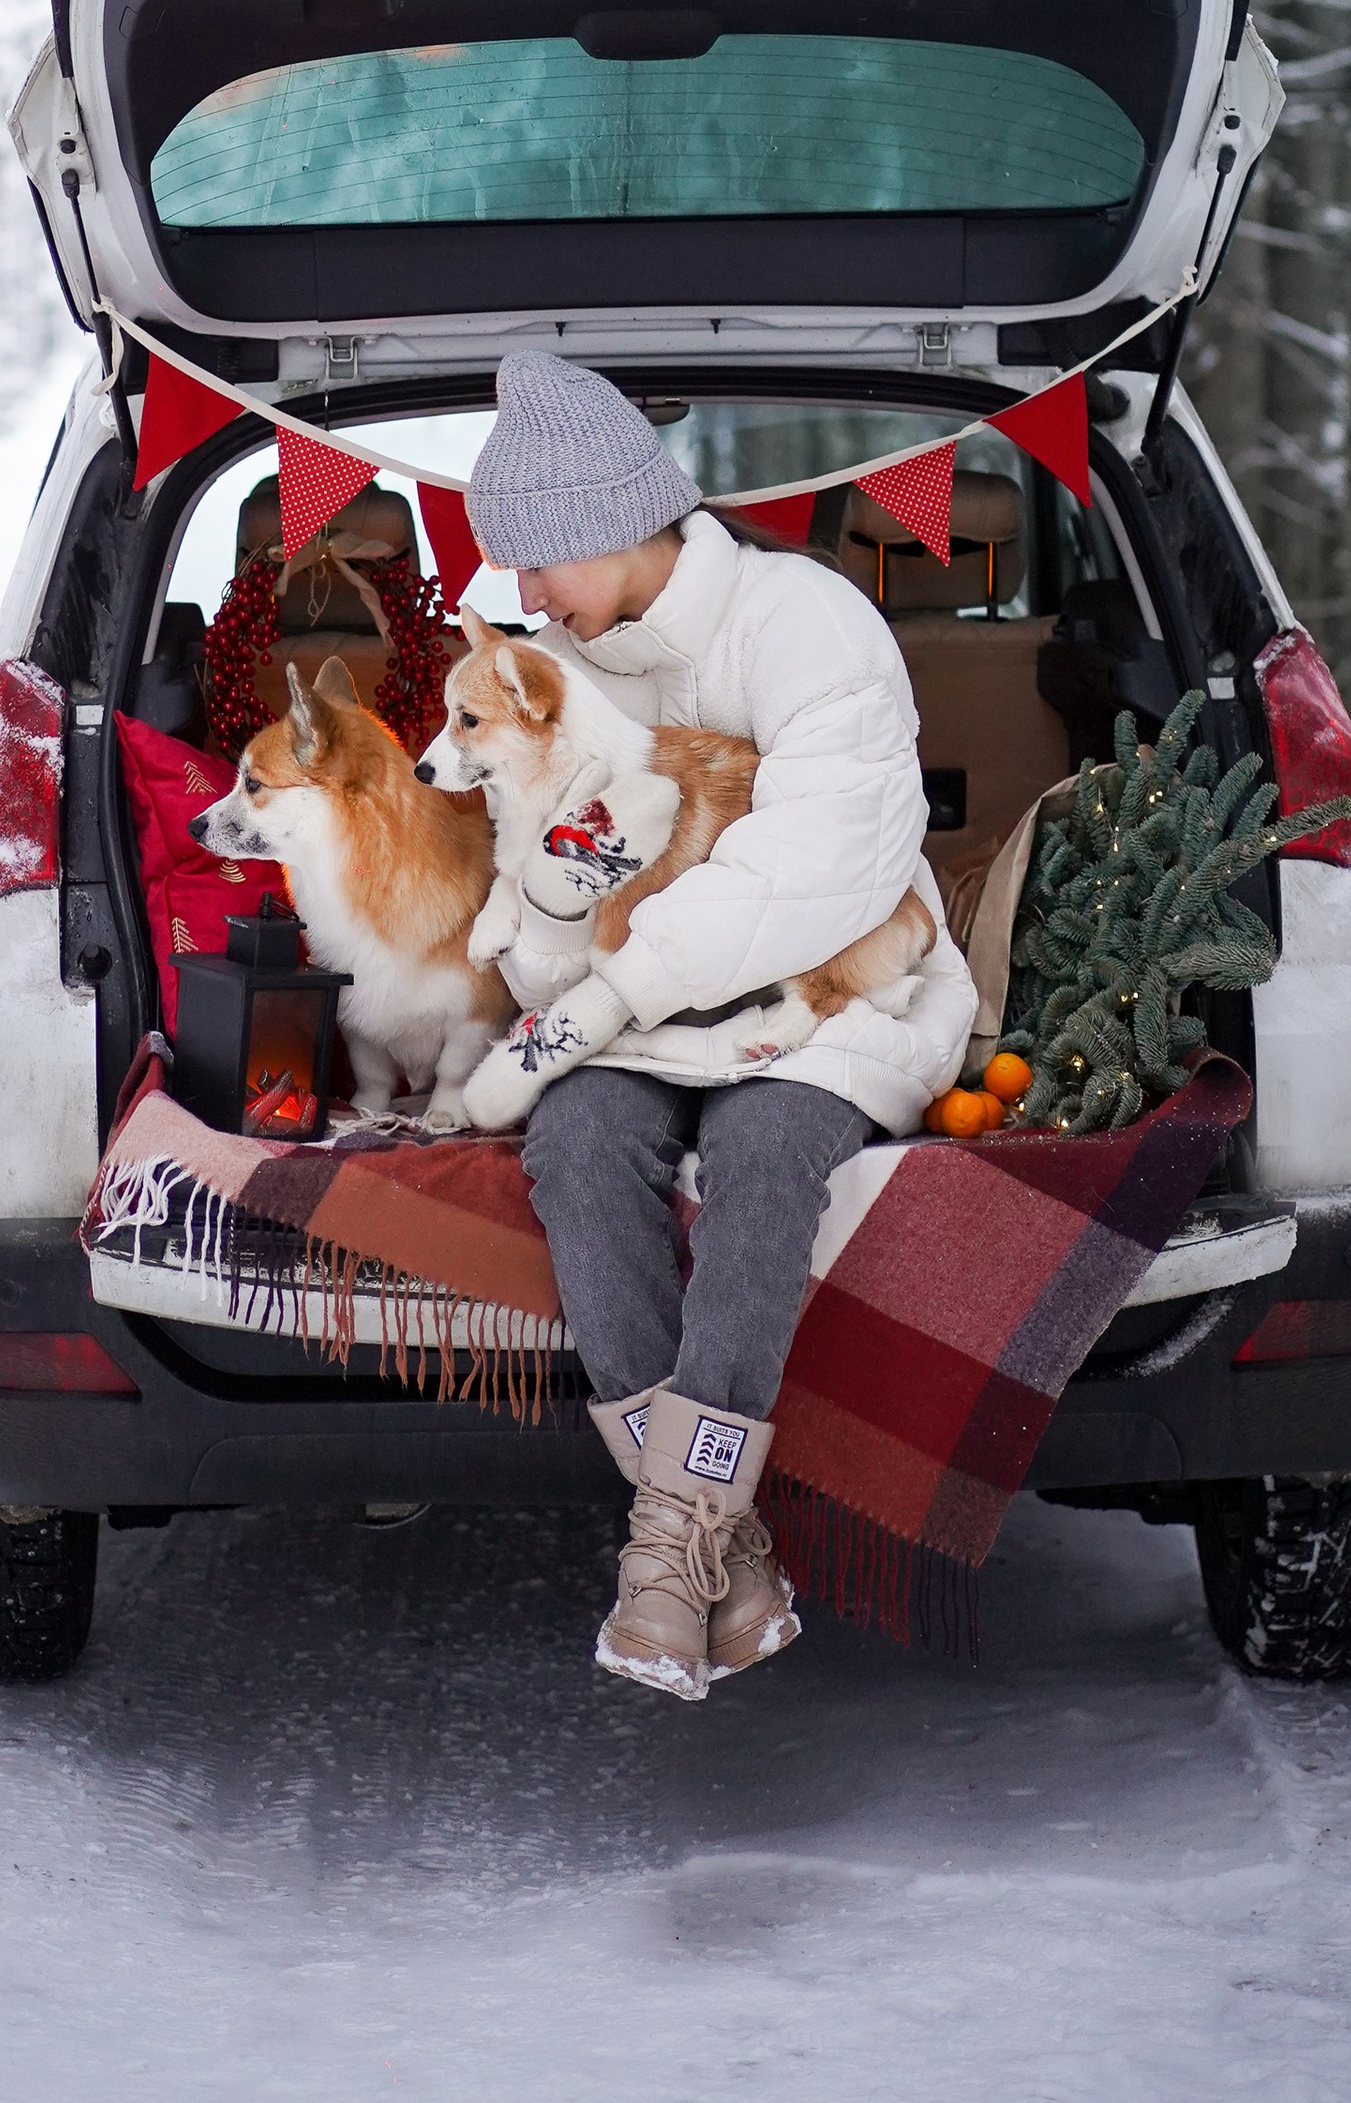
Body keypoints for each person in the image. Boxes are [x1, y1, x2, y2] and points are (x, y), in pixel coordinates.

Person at [462, 349, 975, 1702]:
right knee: (577, 1145)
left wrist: (615, 984)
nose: (525, 595)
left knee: (764, 1154)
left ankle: (664, 1548)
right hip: (635, 1015)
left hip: (828, 987)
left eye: (538, 561)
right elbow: (550, 873)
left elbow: (814, 869)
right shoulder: (567, 669)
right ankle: (711, 1538)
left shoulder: (807, 624)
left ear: (613, 523)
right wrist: (557, 948)